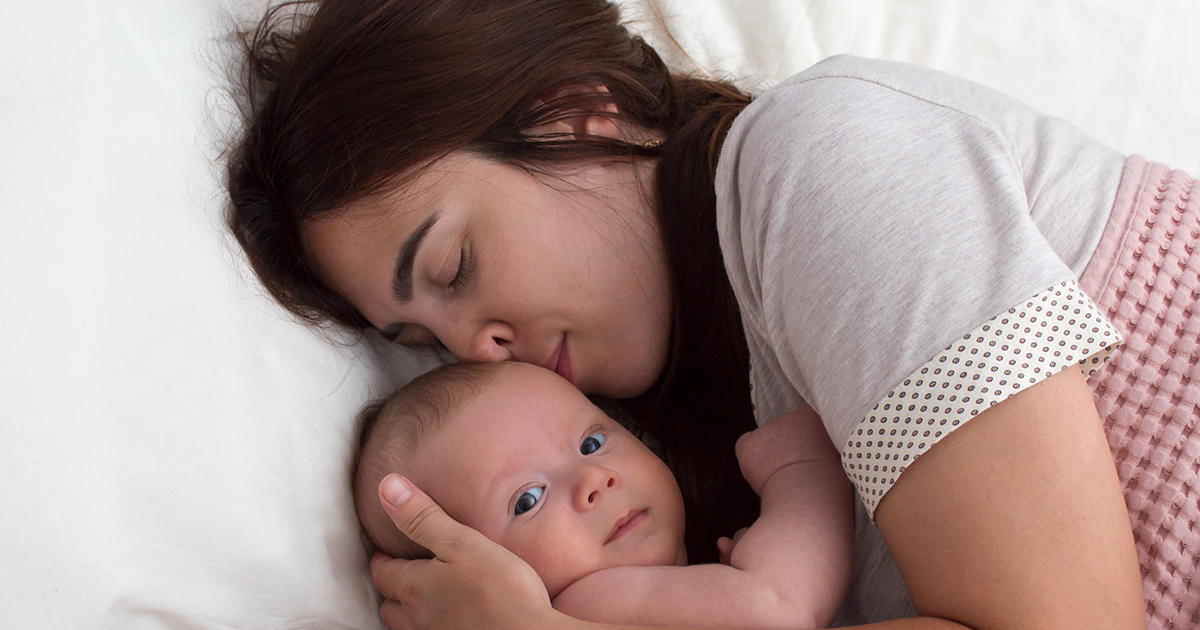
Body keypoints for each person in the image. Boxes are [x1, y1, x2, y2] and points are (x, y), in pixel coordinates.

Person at [223, 0, 1200, 628]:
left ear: (577, 111)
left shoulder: (821, 160)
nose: (475, 347)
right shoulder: (674, 488)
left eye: (454, 265)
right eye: (421, 342)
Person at [351, 360, 853, 628]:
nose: (594, 480)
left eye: (592, 443)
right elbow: (781, 608)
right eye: (528, 499)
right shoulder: (585, 602)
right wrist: (801, 472)